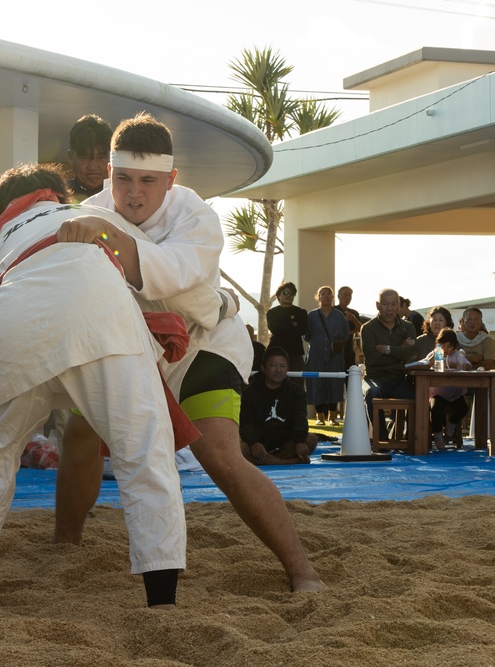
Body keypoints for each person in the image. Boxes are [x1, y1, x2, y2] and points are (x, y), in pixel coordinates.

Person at [52, 112, 326, 593]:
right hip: (129, 346)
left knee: (220, 454)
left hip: (204, 343)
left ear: (171, 180)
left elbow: (175, 278)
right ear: (110, 175)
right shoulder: (91, 210)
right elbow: (44, 260)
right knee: (77, 435)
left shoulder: (194, 214)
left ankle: (301, 570)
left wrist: (107, 234)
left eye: (147, 181)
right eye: (123, 180)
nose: (133, 193)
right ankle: (64, 544)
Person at [0, 163, 187, 608]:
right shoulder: (89, 215)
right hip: (99, 319)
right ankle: (162, 601)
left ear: (0, 213)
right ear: (52, 194)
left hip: (17, 321)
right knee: (144, 453)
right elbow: (157, 273)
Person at [241, 347, 317, 465]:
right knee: (240, 447)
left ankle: (270, 461)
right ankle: (287, 462)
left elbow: (300, 418)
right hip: (260, 441)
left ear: (287, 368)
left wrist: (299, 440)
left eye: (282, 366)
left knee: (310, 439)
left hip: (286, 441)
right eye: (273, 366)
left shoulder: (296, 391)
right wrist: (253, 442)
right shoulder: (249, 393)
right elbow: (245, 423)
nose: (278, 370)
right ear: (263, 368)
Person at [361, 288, 417, 424]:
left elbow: (412, 354)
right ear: (378, 305)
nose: (389, 309)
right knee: (371, 394)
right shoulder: (368, 328)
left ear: (398, 306)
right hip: (375, 378)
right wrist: (400, 350)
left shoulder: (407, 326)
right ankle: (381, 442)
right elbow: (372, 358)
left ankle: (412, 441)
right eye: (385, 304)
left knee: (419, 396)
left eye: (393, 304)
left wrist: (387, 349)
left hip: (400, 378)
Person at [415, 327, 472, 448]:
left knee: (463, 408)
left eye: (449, 346)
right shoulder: (435, 353)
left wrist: (454, 364)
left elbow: (468, 366)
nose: (446, 349)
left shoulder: (457, 355)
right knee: (435, 409)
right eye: (443, 345)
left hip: (455, 393)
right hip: (438, 394)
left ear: (454, 346)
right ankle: (437, 433)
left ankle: (451, 424)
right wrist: (433, 358)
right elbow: (424, 364)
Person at [304, 285, 347, 425]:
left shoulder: (339, 315)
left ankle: (332, 417)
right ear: (318, 297)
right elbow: (307, 335)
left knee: (334, 383)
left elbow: (345, 334)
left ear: (332, 297)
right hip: (316, 354)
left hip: (335, 355)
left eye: (329, 294)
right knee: (317, 383)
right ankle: (319, 417)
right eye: (323, 294)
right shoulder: (311, 315)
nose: (326, 296)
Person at [66, 114, 112, 202]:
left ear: (112, 158)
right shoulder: (58, 198)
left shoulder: (124, 199)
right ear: (70, 157)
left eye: (101, 157)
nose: (93, 167)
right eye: (84, 157)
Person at [267, 281, 307, 382]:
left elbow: (302, 330)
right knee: (275, 380)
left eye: (292, 293)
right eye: (285, 293)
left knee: (297, 381)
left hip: (295, 353)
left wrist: (282, 327)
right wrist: (291, 324)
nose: (289, 295)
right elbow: (274, 329)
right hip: (277, 351)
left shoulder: (300, 312)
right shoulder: (272, 312)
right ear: (279, 296)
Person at [336, 285, 363, 369]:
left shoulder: (354, 313)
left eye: (350, 295)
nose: (347, 297)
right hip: (335, 351)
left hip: (349, 351)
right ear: (338, 296)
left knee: (350, 377)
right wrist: (351, 331)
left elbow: (361, 329)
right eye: (345, 295)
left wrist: (353, 319)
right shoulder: (333, 311)